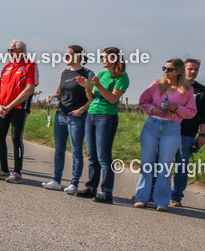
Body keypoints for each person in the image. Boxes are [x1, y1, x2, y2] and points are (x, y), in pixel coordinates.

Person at [133, 59, 197, 210]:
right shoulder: (156, 84)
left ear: (178, 71)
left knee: (165, 166)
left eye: (169, 69)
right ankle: (141, 197)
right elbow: (143, 101)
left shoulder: (187, 90)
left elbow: (192, 112)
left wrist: (176, 107)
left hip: (172, 128)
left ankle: (162, 201)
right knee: (147, 164)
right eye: (164, 68)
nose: (165, 71)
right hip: (151, 126)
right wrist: (152, 109)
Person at [75, 47, 128, 203]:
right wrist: (87, 87)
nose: (102, 59)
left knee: (104, 157)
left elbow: (113, 99)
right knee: (92, 156)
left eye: (105, 57)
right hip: (92, 114)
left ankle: (106, 192)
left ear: (114, 59)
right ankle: (91, 188)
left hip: (107, 117)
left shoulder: (122, 77)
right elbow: (92, 98)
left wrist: (97, 86)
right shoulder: (102, 74)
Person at [42, 46, 93, 193]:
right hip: (60, 116)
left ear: (78, 56)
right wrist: (52, 97)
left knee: (76, 152)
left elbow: (92, 98)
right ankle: (57, 181)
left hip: (77, 117)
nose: (65, 57)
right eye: (65, 54)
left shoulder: (88, 73)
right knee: (59, 150)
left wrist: (81, 110)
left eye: (68, 54)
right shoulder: (63, 73)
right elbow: (60, 92)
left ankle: (74, 184)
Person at [0, 40, 38, 183]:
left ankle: (17, 172)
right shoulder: (7, 66)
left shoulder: (30, 66)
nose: (9, 52)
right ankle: (3, 169)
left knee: (16, 138)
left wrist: (10, 106)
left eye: (12, 50)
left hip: (18, 108)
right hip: (2, 109)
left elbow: (29, 89)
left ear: (21, 51)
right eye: (9, 50)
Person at [171, 58, 205, 207]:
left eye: (195, 69)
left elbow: (204, 116)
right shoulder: (173, 85)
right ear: (183, 69)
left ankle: (176, 196)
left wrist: (202, 135)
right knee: (161, 164)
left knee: (182, 166)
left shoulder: (202, 91)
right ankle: (155, 193)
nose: (192, 72)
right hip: (168, 130)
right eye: (190, 69)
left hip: (188, 133)